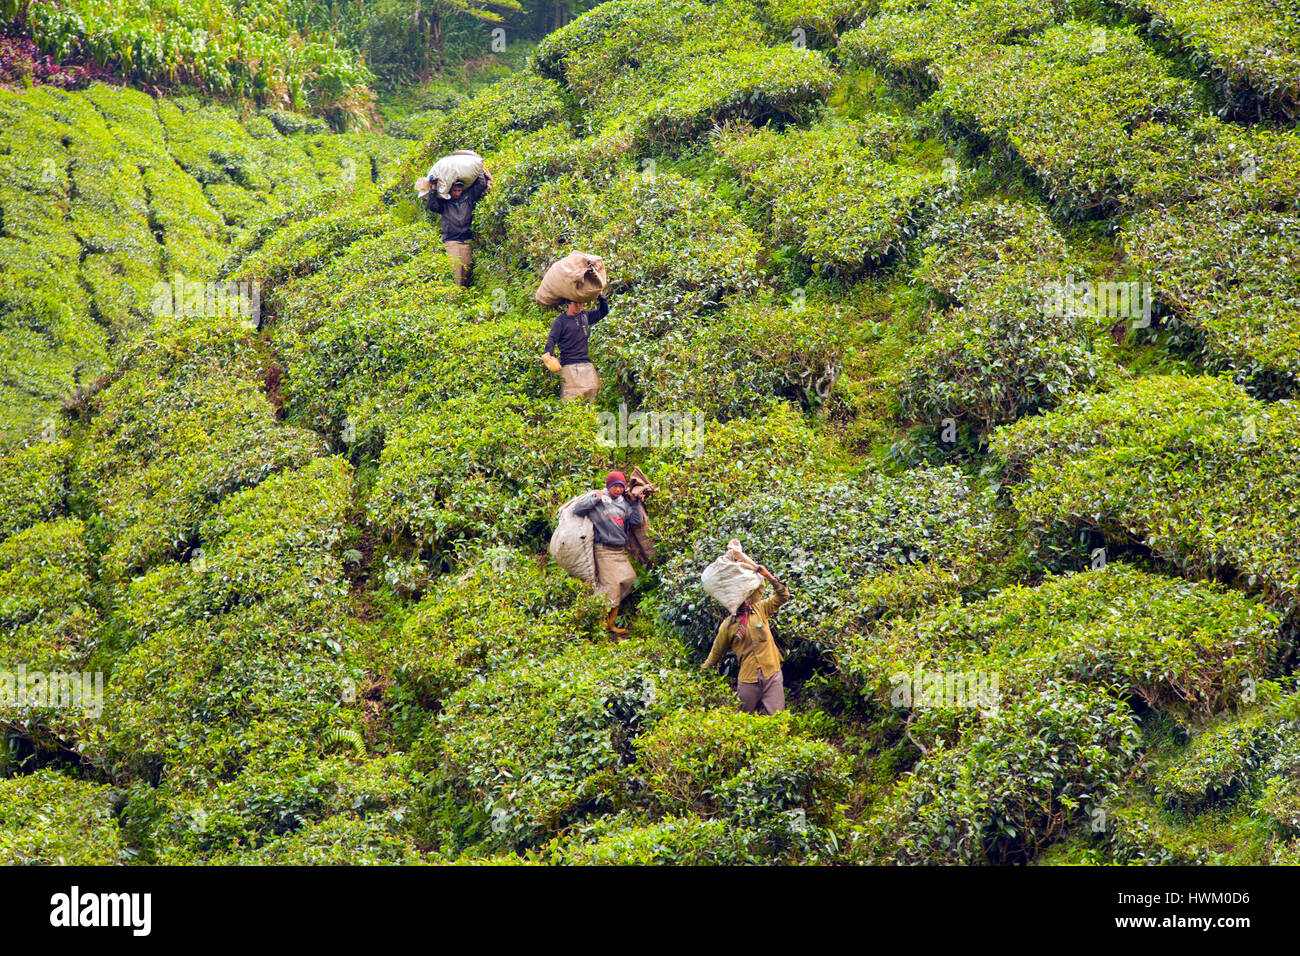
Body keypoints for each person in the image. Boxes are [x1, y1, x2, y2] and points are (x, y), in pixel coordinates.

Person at [700, 565, 790, 715]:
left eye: (745, 597)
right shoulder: (728, 626)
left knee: (778, 718)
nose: (744, 602)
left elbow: (783, 596)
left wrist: (768, 576)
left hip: (772, 673)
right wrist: (702, 674)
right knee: (743, 719)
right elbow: (715, 655)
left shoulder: (760, 609)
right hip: (749, 679)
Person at [572, 470, 645, 634]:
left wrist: (635, 503)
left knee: (629, 579)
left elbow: (635, 521)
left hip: (619, 551)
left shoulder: (623, 503)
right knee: (610, 585)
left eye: (621, 487)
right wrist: (594, 498)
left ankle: (609, 622)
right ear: (608, 486)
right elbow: (578, 509)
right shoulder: (598, 499)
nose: (618, 490)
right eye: (615, 487)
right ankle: (597, 622)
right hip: (603, 550)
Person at [421, 171, 490, 287]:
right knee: (456, 269)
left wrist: (479, 171)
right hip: (452, 241)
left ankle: (463, 294)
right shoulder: (445, 202)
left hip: (466, 240)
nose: (457, 193)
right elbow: (432, 206)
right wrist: (433, 188)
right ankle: (456, 296)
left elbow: (480, 185)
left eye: (459, 190)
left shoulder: (468, 198)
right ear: (450, 190)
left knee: (467, 269)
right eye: (455, 191)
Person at [539, 293, 608, 402]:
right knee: (572, 399)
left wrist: (601, 297)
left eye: (581, 303)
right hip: (570, 366)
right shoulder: (560, 321)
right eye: (576, 303)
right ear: (567, 303)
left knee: (591, 393)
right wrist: (548, 354)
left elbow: (603, 312)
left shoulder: (585, 316)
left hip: (586, 364)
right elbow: (552, 339)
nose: (579, 306)